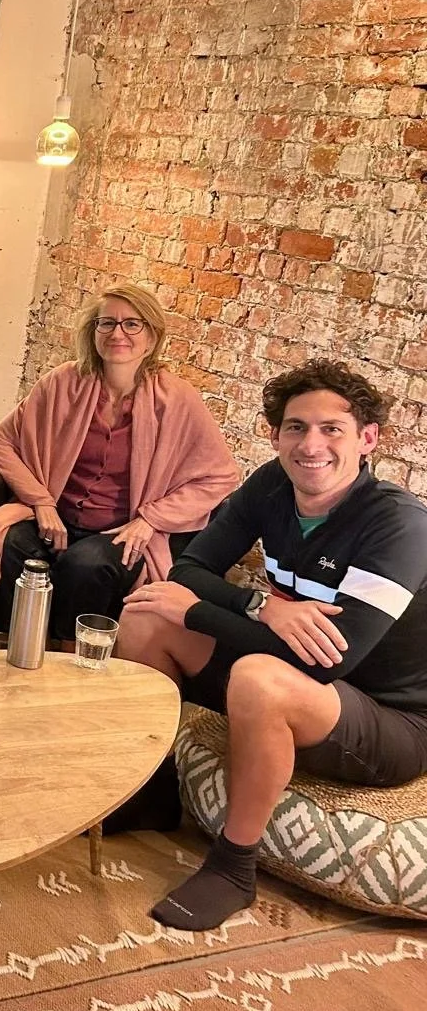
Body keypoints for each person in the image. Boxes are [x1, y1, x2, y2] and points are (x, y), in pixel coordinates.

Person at [120, 359, 427, 931]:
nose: (311, 445)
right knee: (145, 617)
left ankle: (235, 865)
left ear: (368, 439)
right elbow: (191, 569)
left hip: (389, 719)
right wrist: (261, 606)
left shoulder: (400, 525)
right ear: (276, 435)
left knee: (259, 676)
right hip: (302, 675)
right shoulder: (272, 484)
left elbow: (331, 659)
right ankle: (154, 790)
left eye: (332, 429)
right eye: (296, 427)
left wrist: (208, 613)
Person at [0, 284, 239, 648]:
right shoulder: (61, 383)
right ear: (93, 333)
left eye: (131, 324)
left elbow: (220, 477)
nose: (117, 333)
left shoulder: (179, 400)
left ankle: (65, 656)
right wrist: (41, 502)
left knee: (85, 565)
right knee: (10, 542)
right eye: (106, 323)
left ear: (152, 337)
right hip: (55, 517)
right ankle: (24, 644)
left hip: (119, 531)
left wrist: (151, 519)